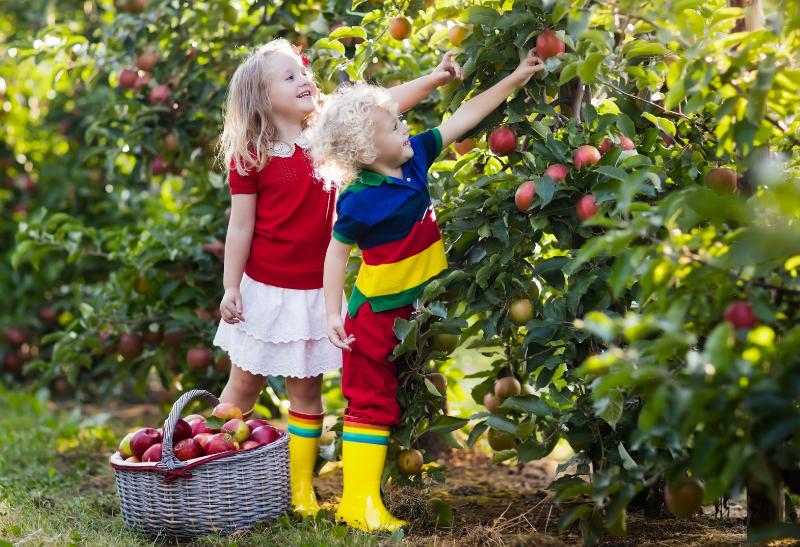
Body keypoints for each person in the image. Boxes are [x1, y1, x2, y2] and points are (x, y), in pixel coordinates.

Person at [212, 38, 463, 517]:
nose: (304, 80)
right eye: (288, 77)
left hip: (313, 291)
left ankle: (299, 489)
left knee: (306, 393)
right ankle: (207, 463)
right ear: (262, 98)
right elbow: (240, 224)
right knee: (243, 384)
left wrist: (433, 78)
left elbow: (383, 107)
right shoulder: (252, 153)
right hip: (265, 289)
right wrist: (231, 287)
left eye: (302, 71)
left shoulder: (325, 130)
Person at [310, 50, 545, 531]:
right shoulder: (357, 201)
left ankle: (366, 498)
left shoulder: (415, 159)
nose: (404, 127)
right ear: (363, 152)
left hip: (413, 313)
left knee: (392, 399)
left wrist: (516, 77)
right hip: (374, 315)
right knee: (370, 403)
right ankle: (358, 504)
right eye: (393, 125)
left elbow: (467, 114)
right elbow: (336, 255)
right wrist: (332, 314)